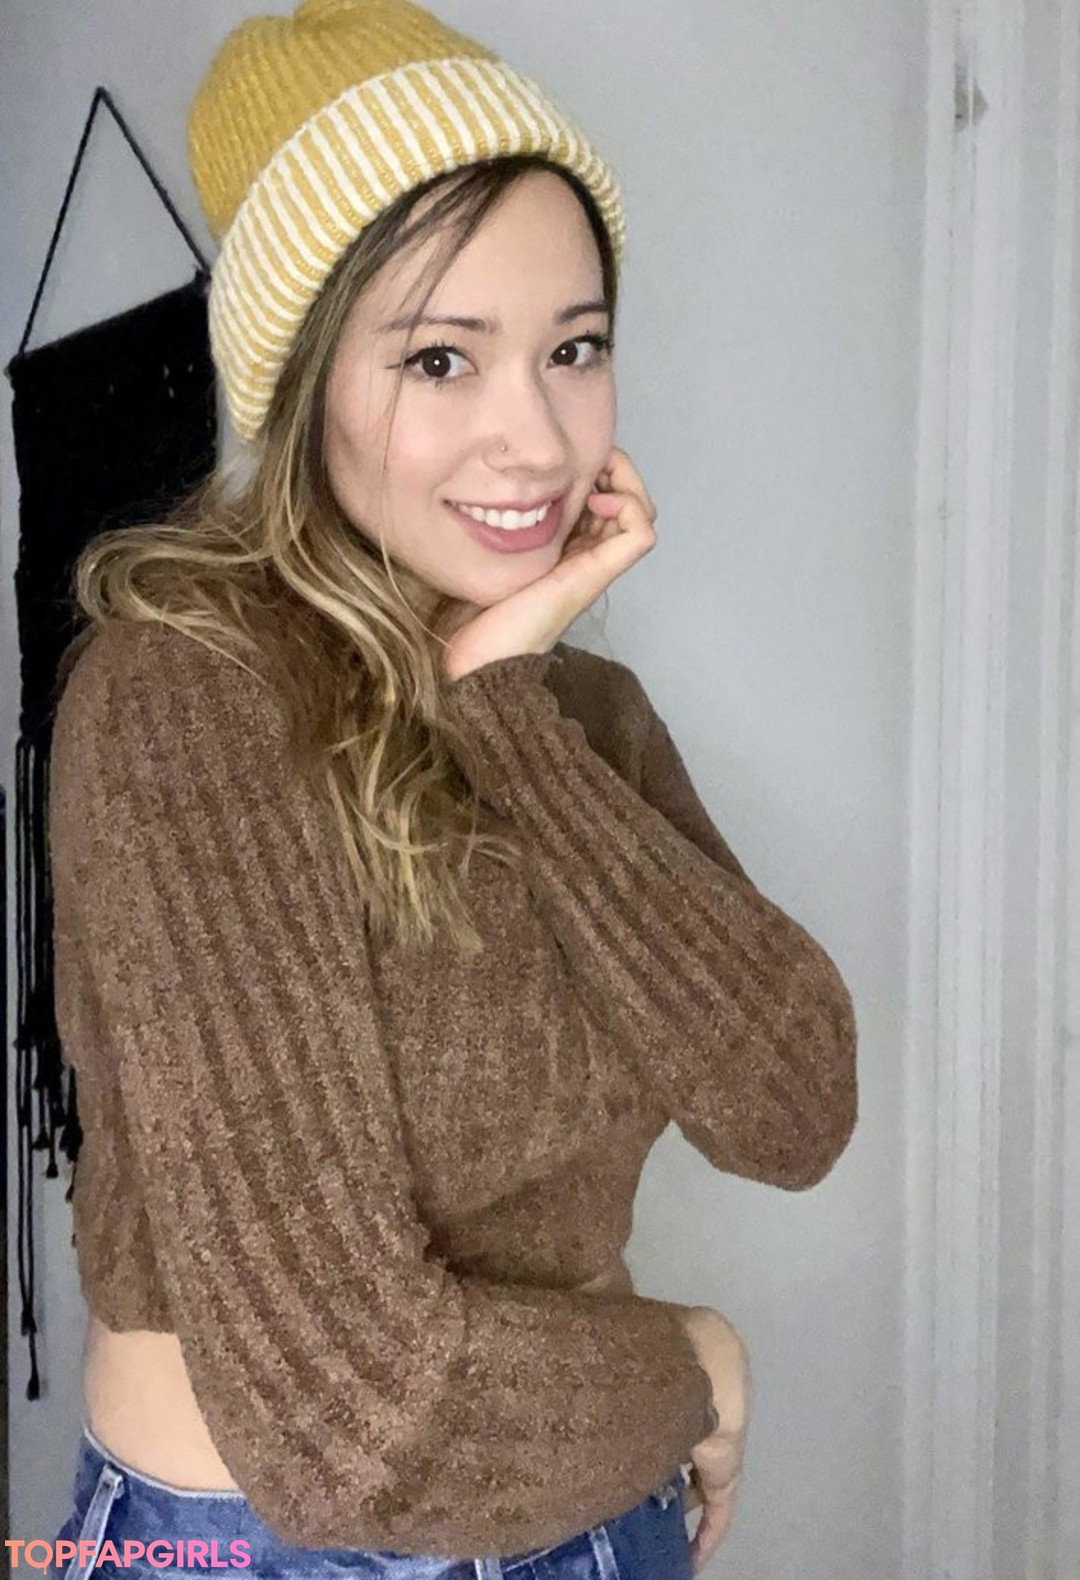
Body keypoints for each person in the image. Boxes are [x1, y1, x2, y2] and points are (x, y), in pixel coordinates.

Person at [45, 2, 859, 1577]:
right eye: (439, 357)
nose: (535, 439)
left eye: (575, 348)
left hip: (604, 1518)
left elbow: (795, 1110)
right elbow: (353, 1423)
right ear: (301, 385)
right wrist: (696, 1367)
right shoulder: (185, 701)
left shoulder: (581, 715)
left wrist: (505, 714)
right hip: (266, 1548)